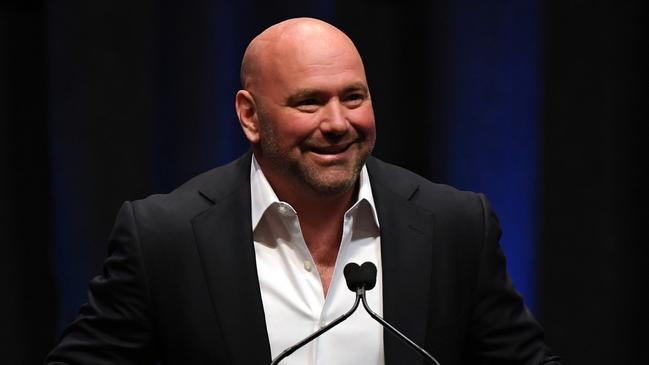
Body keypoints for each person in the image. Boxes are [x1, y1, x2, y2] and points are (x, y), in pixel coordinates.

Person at [46, 17, 560, 365]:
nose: (338, 123)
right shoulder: (165, 237)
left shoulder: (455, 225)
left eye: (353, 97)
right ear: (250, 115)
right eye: (309, 102)